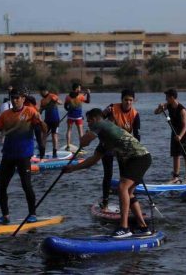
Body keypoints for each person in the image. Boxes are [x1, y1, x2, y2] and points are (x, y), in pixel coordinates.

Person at [63, 108, 152, 238]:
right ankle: (143, 227)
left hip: (139, 158)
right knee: (128, 192)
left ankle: (124, 227)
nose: (88, 124)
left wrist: (83, 141)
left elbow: (86, 140)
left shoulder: (102, 124)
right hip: (136, 160)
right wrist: (72, 168)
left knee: (122, 188)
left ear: (94, 119)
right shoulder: (105, 140)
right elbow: (92, 160)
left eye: (88, 121)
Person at [0, 88, 47, 224]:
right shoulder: (5, 115)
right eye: (13, 98)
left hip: (24, 155)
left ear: (23, 99)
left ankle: (32, 214)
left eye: (18, 97)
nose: (15, 100)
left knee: (26, 185)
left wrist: (40, 122)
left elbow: (44, 130)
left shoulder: (31, 112)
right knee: (1, 186)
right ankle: (5, 216)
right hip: (8, 154)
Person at [100, 89, 140, 211]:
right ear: (121, 100)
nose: (128, 102)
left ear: (133, 101)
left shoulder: (135, 114)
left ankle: (125, 201)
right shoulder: (112, 108)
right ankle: (105, 202)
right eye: (126, 100)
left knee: (125, 176)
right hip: (108, 143)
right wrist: (104, 113)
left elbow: (137, 135)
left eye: (130, 100)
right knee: (108, 173)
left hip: (123, 146)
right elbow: (98, 119)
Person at [154, 88, 186, 184]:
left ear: (172, 97)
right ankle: (176, 177)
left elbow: (185, 126)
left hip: (184, 134)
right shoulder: (168, 105)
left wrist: (180, 136)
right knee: (175, 155)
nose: (166, 99)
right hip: (174, 133)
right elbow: (156, 112)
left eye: (167, 97)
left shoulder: (182, 110)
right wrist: (160, 108)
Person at [64, 83, 91, 149]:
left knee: (69, 130)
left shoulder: (68, 97)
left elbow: (65, 106)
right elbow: (88, 101)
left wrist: (69, 110)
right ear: (76, 89)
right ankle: (81, 146)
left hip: (70, 116)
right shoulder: (81, 96)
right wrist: (88, 94)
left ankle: (68, 145)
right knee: (80, 132)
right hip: (78, 116)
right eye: (79, 88)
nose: (80, 89)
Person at [39, 86, 63, 158]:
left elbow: (61, 103)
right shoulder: (42, 101)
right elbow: (40, 111)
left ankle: (54, 153)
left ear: (45, 91)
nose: (40, 93)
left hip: (55, 120)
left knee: (54, 135)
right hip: (47, 121)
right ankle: (42, 154)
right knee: (44, 136)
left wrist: (56, 101)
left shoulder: (52, 96)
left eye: (41, 92)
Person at [22, 88, 45, 159]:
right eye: (23, 94)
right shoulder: (21, 102)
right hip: (28, 123)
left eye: (25, 93)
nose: (23, 96)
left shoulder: (32, 99)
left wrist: (24, 95)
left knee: (39, 140)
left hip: (36, 122)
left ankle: (42, 158)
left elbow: (30, 99)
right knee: (27, 140)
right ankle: (28, 155)